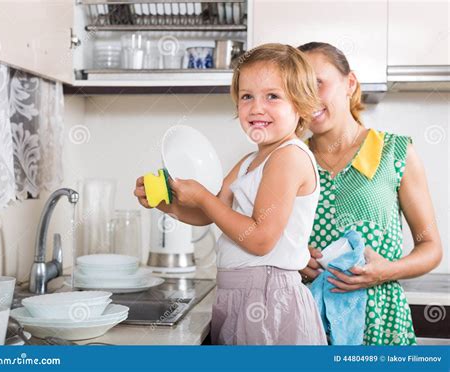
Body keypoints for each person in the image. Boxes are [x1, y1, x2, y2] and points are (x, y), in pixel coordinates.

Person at [135, 43, 327, 345]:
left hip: (268, 300)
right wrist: (165, 203)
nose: (256, 107)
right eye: (246, 96)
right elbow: (208, 213)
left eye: (272, 96)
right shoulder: (249, 162)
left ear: (300, 105)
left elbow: (261, 239)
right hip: (239, 296)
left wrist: (202, 197)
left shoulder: (288, 158)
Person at [297, 42, 443, 345]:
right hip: (308, 318)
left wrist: (386, 270)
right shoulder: (291, 159)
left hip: (380, 321)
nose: (308, 99)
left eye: (317, 84)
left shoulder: (394, 152)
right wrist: (293, 259)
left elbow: (430, 246)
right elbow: (264, 238)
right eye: (297, 89)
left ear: (350, 84)